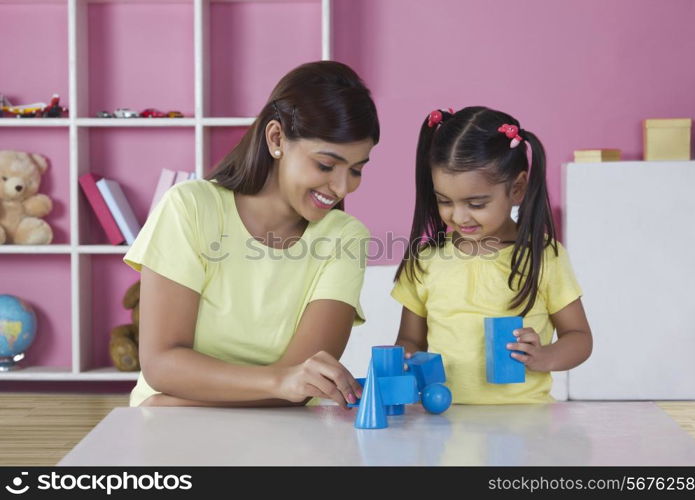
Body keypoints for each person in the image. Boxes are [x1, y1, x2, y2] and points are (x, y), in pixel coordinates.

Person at [124, 61, 380, 408]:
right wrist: (279, 381)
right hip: (179, 436)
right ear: (277, 139)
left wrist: (180, 402)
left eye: (356, 170)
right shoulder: (191, 208)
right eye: (325, 165)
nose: (341, 187)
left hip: (277, 435)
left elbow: (302, 389)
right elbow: (162, 365)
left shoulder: (346, 238)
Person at [391, 106, 592, 404]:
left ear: (517, 188)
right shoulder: (426, 260)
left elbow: (579, 338)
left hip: (525, 427)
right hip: (444, 424)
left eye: (476, 203)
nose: (459, 216)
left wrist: (544, 356)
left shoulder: (545, 257)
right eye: (445, 201)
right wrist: (404, 359)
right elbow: (410, 339)